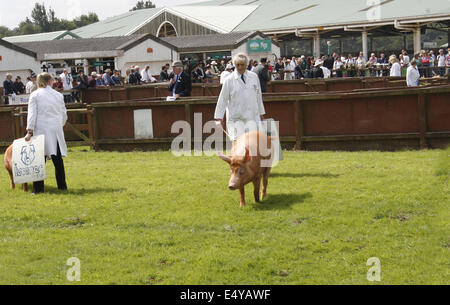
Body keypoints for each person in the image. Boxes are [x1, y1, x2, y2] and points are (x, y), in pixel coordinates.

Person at [25, 72, 68, 194]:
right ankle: (62, 186)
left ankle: (38, 189)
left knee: (39, 161)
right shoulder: (58, 95)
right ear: (49, 81)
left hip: (41, 129)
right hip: (55, 129)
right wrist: (60, 125)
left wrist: (30, 130)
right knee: (58, 160)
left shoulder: (35, 95)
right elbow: (64, 113)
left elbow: (32, 114)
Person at [214, 53, 265, 142]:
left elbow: (258, 97)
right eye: (238, 65)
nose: (240, 67)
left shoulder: (254, 77)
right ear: (234, 65)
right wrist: (219, 117)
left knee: (252, 144)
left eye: (242, 65)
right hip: (236, 117)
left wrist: (261, 113)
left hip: (252, 116)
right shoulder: (229, 80)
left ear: (246, 65)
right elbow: (223, 99)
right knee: (238, 145)